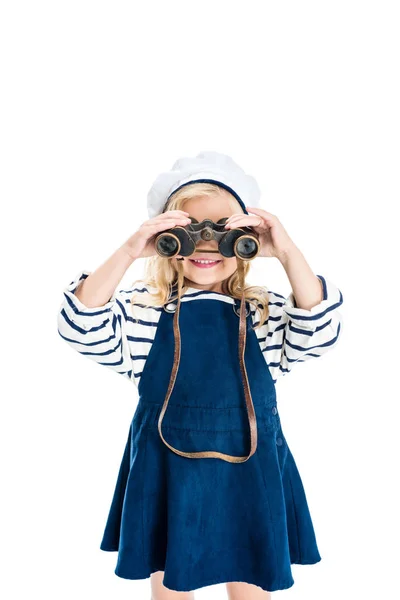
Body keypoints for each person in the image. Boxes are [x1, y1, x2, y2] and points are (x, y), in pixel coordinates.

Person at [57, 151, 344, 600]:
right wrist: (132, 249)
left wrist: (286, 251)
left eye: (223, 231)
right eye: (188, 232)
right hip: (167, 465)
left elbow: (319, 333)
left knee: (251, 578)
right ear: (168, 239)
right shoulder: (143, 310)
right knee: (170, 576)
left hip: (249, 460)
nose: (206, 245)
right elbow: (80, 324)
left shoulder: (263, 310)